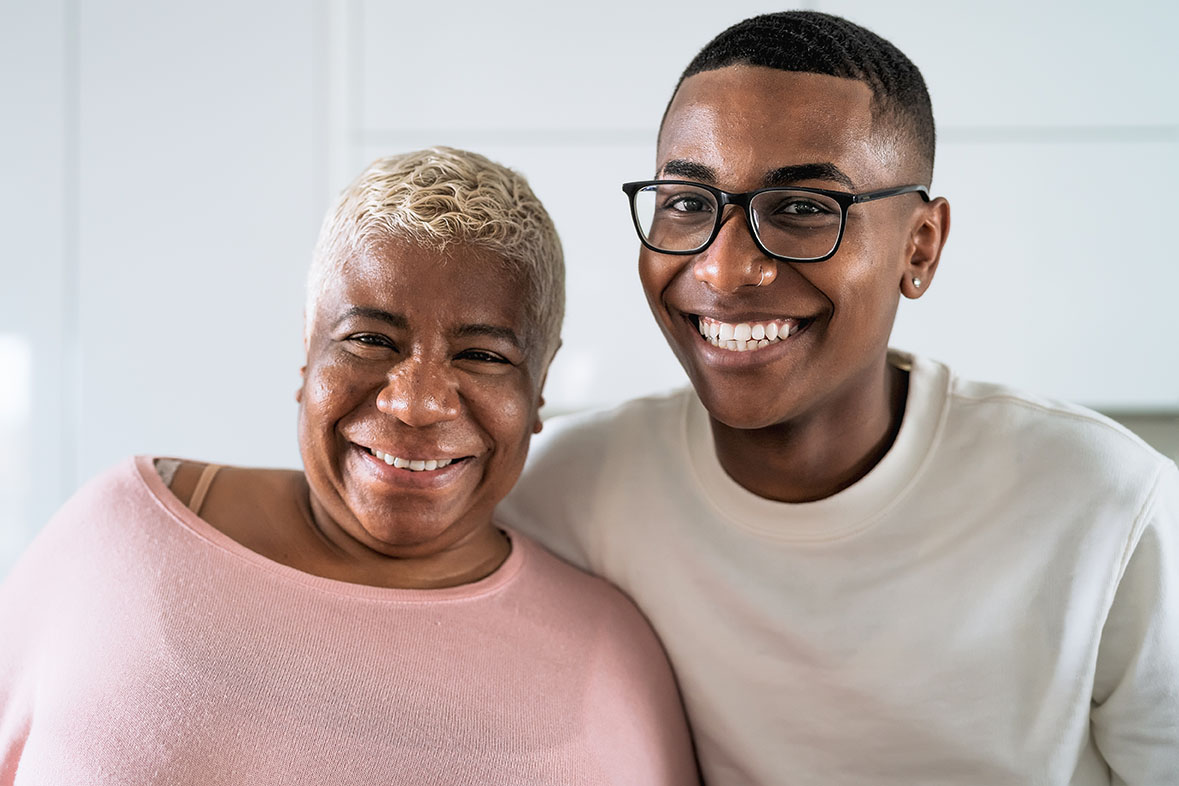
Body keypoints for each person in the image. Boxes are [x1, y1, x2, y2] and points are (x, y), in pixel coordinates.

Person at [498, 11, 1179, 785]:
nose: (724, 272)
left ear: (918, 247)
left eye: (802, 210)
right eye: (687, 204)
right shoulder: (562, 495)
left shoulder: (1107, 504)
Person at [0, 147, 699, 784]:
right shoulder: (117, 535)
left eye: (482, 355)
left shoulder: (612, 654)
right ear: (308, 355)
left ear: (537, 389)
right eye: (369, 339)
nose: (418, 403)